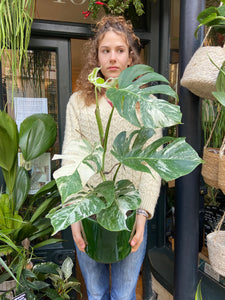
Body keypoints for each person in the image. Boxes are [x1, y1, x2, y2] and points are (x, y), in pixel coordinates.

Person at [62, 15, 162, 300]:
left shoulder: (145, 104)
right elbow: (71, 161)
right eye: (105, 50)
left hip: (130, 216)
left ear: (131, 57)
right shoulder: (79, 102)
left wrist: (143, 216)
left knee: (124, 293)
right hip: (89, 214)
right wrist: (74, 218)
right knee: (95, 293)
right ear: (96, 56)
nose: (113, 58)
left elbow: (151, 165)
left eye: (120, 50)